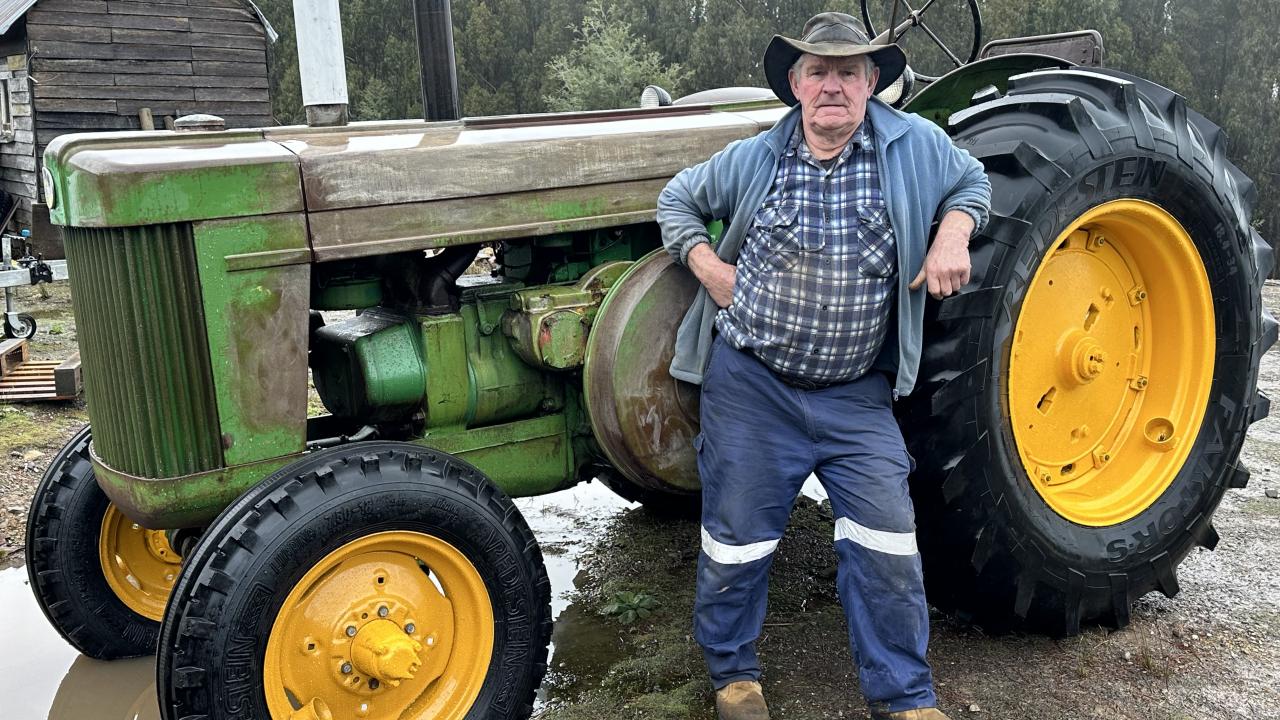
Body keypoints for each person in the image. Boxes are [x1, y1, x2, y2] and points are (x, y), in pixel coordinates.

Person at [656, 12, 991, 720]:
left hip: (856, 394)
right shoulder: (755, 158)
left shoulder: (915, 148)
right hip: (753, 386)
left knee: (887, 541)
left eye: (847, 72)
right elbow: (677, 199)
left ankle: (904, 698)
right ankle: (734, 676)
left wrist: (952, 235)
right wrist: (709, 268)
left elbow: (973, 182)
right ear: (796, 85)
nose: (832, 85)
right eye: (817, 72)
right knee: (736, 540)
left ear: (872, 83)